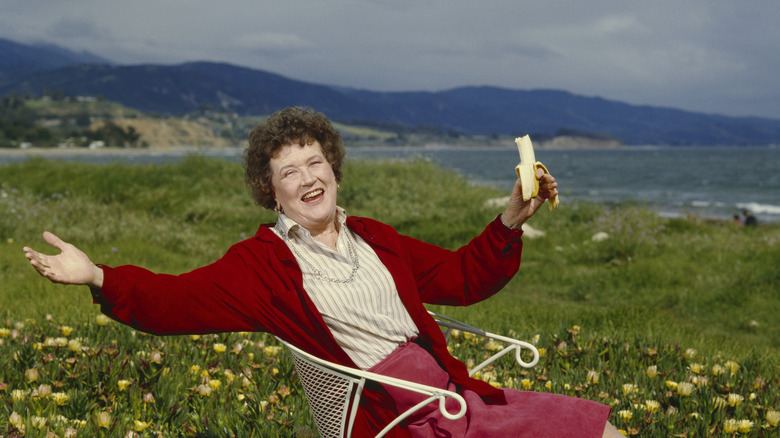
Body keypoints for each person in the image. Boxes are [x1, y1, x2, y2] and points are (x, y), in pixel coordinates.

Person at [24, 107, 620, 437]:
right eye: (290, 172)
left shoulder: (376, 237)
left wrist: (511, 219)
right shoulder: (262, 266)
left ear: (333, 169)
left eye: (316, 163)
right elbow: (177, 300)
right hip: (400, 414)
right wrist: (99, 275)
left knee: (600, 430)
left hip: (453, 395)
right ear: (271, 192)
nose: (308, 179)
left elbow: (463, 278)